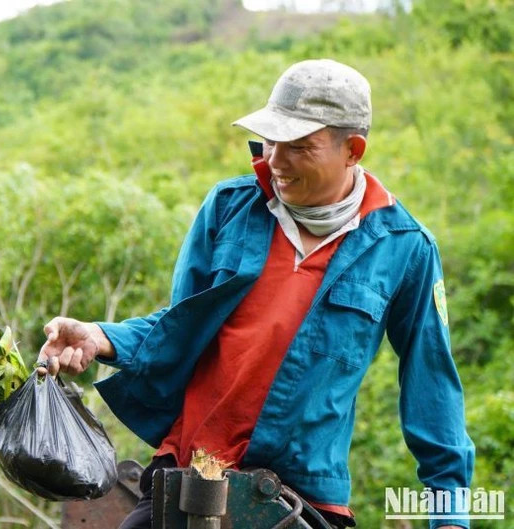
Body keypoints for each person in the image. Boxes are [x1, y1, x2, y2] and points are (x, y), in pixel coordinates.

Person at [37, 59, 474, 529]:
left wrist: (449, 517)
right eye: (271, 141)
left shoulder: (404, 248)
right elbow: (177, 330)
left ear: (353, 150)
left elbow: (433, 390)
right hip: (190, 473)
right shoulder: (230, 208)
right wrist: (101, 337)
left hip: (300, 497)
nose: (276, 161)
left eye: (299, 147)